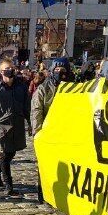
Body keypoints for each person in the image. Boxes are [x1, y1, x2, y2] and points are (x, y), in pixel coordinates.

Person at [0, 59, 32, 199]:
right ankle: (8, 186)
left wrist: (30, 123)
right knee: (5, 155)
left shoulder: (21, 87)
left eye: (11, 68)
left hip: (17, 124)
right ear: (1, 72)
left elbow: (27, 107)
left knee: (11, 154)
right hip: (2, 126)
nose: (10, 70)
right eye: (7, 68)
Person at [31, 58, 70, 203]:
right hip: (48, 132)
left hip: (65, 133)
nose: (60, 73)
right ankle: (43, 194)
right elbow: (36, 111)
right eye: (57, 70)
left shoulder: (73, 87)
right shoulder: (43, 89)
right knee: (45, 165)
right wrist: (37, 132)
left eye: (63, 70)